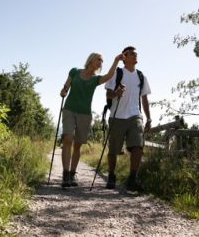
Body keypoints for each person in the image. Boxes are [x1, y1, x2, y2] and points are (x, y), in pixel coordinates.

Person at [59, 52, 124, 187]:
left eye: (101, 61)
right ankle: (65, 175)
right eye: (98, 60)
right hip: (69, 109)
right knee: (68, 139)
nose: (100, 63)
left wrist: (116, 61)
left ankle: (72, 173)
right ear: (91, 60)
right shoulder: (75, 71)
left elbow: (109, 76)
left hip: (85, 114)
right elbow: (66, 86)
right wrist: (63, 90)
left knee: (77, 145)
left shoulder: (96, 79)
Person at [104, 46, 151, 191]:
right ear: (124, 57)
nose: (135, 56)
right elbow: (108, 95)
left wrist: (148, 118)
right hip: (117, 116)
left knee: (138, 146)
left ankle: (132, 178)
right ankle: (111, 175)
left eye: (136, 54)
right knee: (113, 150)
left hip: (135, 115)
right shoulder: (116, 73)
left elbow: (144, 99)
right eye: (132, 54)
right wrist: (117, 92)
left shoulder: (141, 76)